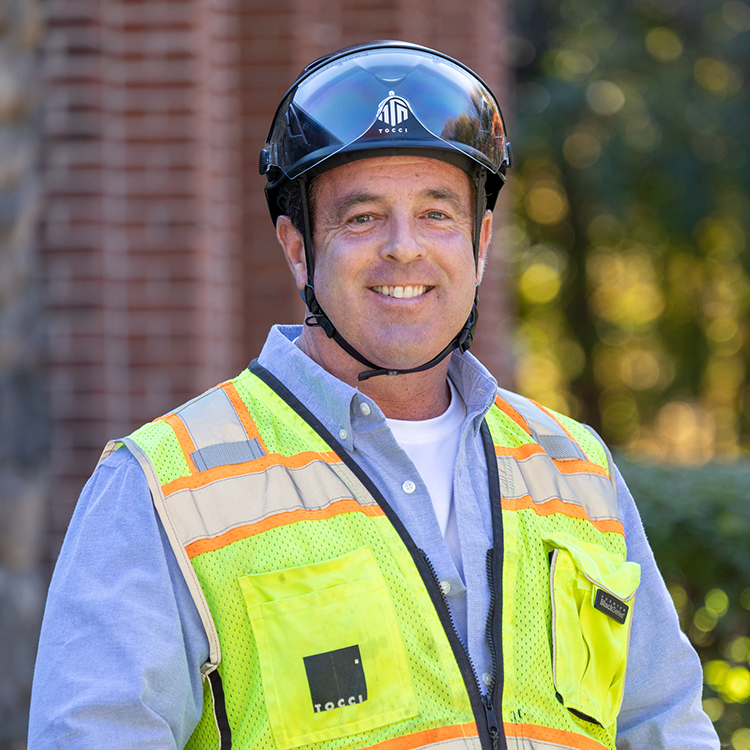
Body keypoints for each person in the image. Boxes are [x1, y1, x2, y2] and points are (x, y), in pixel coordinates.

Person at [29, 41, 718, 750]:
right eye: (362, 218)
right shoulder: (161, 487)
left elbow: (664, 726)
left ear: (481, 242)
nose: (403, 248)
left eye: (436, 214)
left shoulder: (579, 469)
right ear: (298, 249)